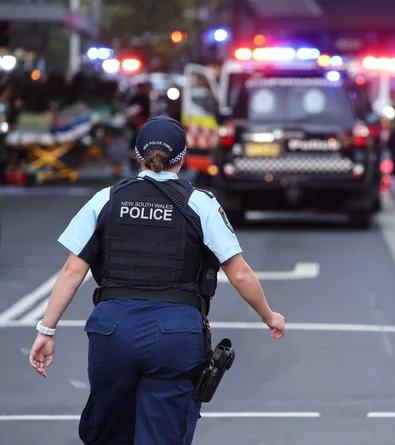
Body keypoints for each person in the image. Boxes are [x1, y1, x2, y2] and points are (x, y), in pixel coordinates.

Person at [28, 116, 286, 445]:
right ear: (183, 157)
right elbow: (239, 272)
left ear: (137, 156)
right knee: (163, 436)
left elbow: (71, 271)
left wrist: (46, 330)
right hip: (176, 333)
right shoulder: (200, 204)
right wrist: (269, 316)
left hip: (112, 331)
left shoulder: (106, 199)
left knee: (107, 433)